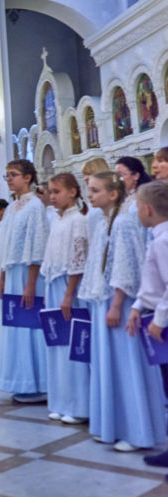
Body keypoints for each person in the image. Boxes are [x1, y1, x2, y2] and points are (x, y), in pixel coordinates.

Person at [81, 172, 165, 451]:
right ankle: (113, 425)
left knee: (127, 367)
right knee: (110, 366)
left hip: (121, 303)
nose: (90, 195)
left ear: (113, 194)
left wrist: (117, 304)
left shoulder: (125, 223)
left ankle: (136, 430)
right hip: (106, 300)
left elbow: (126, 267)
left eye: (95, 190)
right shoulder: (105, 222)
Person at [0, 159, 49, 403]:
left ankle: (37, 383)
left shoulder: (35, 206)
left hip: (30, 275)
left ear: (28, 178)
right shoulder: (12, 207)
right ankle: (20, 380)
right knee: (16, 327)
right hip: (14, 273)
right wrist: (4, 276)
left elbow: (37, 245)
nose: (9, 179)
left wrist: (30, 283)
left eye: (13, 174)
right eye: (7, 175)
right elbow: (5, 245)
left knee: (30, 326)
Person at [40, 173, 90, 424]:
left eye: (57, 191)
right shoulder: (58, 220)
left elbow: (78, 262)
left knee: (72, 347)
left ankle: (79, 405)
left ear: (72, 192)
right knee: (56, 345)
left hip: (68, 287)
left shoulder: (78, 221)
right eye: (50, 191)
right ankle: (60, 401)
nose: (52, 196)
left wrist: (68, 294)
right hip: (53, 285)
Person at [127, 180, 168, 466]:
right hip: (155, 316)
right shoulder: (157, 237)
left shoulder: (164, 240)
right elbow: (151, 280)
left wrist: (160, 321)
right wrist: (138, 305)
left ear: (146, 209)